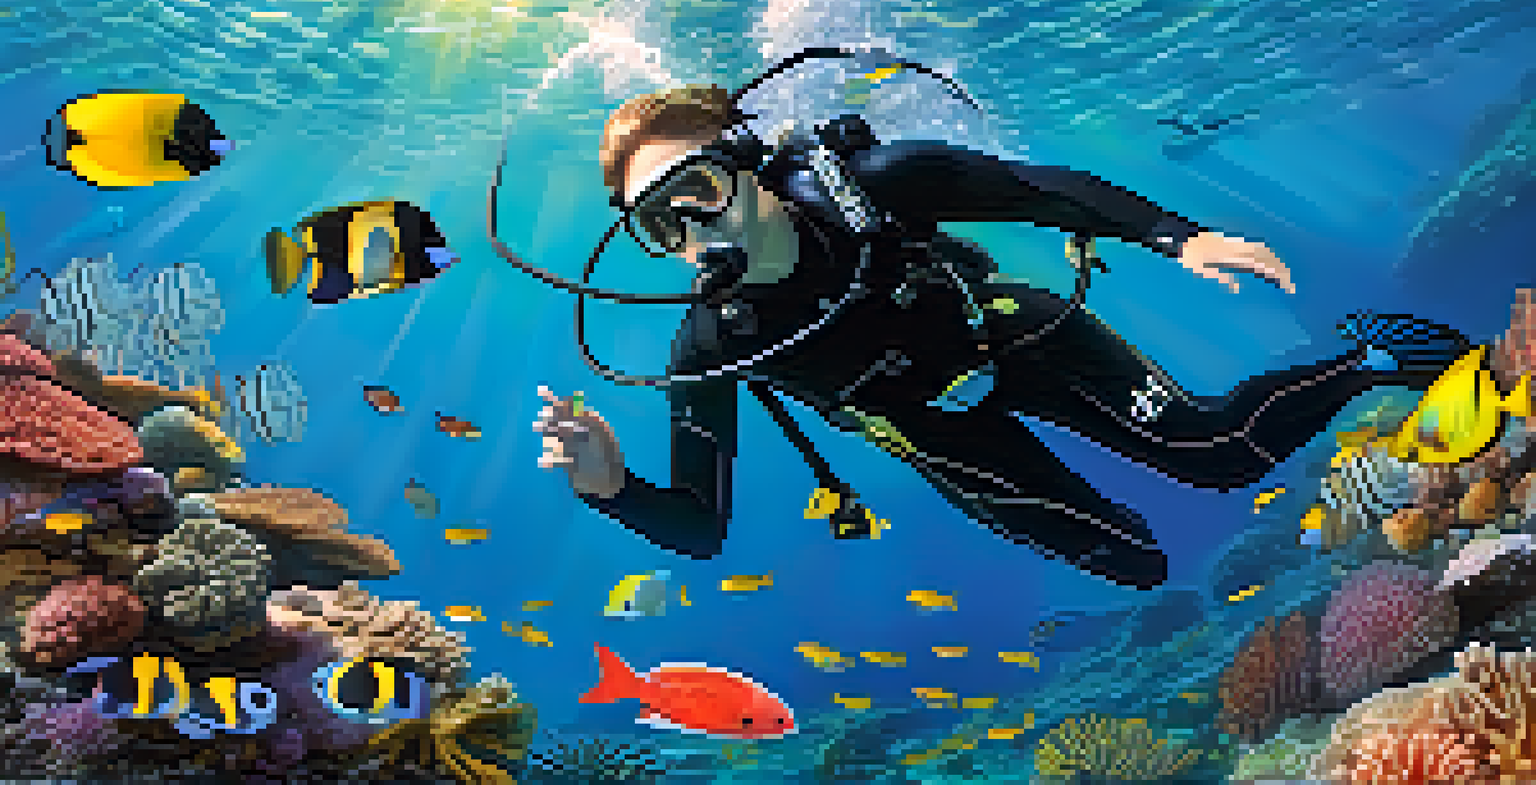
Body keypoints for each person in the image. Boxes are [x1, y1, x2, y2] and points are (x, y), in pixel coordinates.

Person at [532, 84, 1469, 589]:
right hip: (932, 431)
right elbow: (699, 529)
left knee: (1220, 455)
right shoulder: (711, 342)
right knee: (1133, 565)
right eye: (657, 223)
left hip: (1009, 333)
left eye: (696, 191)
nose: (691, 233)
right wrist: (611, 489)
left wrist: (1180, 237)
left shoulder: (873, 182)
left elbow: (1041, 191)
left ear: (747, 166)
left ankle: (1370, 358)